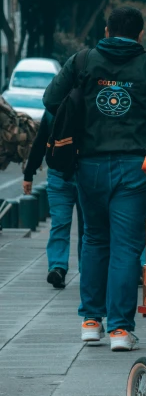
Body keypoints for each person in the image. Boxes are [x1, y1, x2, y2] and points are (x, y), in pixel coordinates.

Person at [44, 6, 146, 351]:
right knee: (126, 247)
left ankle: (91, 322)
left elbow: (50, 99)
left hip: (88, 164)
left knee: (93, 240)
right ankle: (120, 329)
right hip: (135, 166)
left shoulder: (83, 61)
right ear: (140, 35)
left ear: (106, 31)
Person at [23, 109, 84, 289]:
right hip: (84, 172)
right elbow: (41, 140)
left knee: (61, 223)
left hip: (62, 173)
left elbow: (40, 142)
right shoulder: (90, 101)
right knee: (87, 227)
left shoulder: (53, 109)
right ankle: (80, 270)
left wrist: (29, 174)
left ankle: (59, 267)